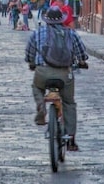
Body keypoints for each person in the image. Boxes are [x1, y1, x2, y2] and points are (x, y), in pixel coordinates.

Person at [25, 8, 89, 152]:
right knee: (69, 103)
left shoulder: (37, 33)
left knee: (37, 87)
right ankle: (71, 139)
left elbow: (29, 52)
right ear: (62, 19)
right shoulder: (70, 33)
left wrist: (31, 63)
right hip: (64, 74)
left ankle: (41, 104)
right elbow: (81, 53)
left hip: (42, 72)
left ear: (46, 19)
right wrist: (82, 62)